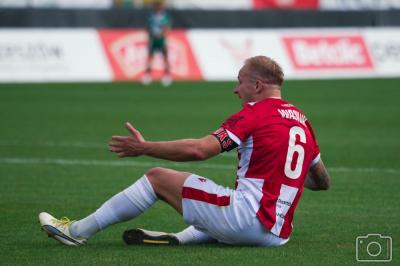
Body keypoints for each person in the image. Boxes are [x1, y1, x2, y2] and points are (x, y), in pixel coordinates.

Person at [39, 56, 331, 247]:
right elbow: (321, 181)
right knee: (222, 206)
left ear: (256, 85)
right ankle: (179, 238)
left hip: (247, 220)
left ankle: (75, 232)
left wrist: (145, 147)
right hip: (279, 234)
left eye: (239, 81)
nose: (235, 89)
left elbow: (199, 150)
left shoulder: (253, 115)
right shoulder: (302, 121)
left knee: (157, 178)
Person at [141, 0, 172, 87]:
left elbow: (167, 27)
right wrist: (151, 33)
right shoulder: (151, 17)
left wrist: (162, 34)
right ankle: (148, 75)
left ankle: (166, 75)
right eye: (156, 6)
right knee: (150, 57)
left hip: (162, 40)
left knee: (165, 57)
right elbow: (147, 27)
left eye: (159, 6)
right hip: (153, 40)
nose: (158, 8)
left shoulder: (165, 17)